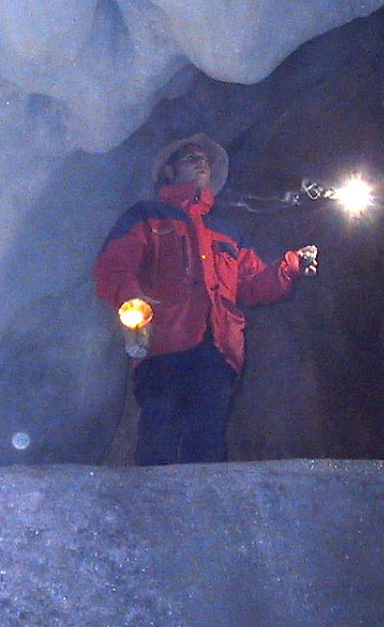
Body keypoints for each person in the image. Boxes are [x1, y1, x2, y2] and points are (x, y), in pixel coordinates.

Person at [93, 134, 317, 465]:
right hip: (163, 347)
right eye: (190, 157)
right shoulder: (145, 217)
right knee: (161, 431)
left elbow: (252, 284)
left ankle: (203, 514)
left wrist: (290, 266)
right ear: (168, 171)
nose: (201, 163)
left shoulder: (226, 232)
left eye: (206, 160)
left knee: (207, 436)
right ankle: (152, 510)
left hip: (217, 350)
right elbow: (112, 266)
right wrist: (132, 298)